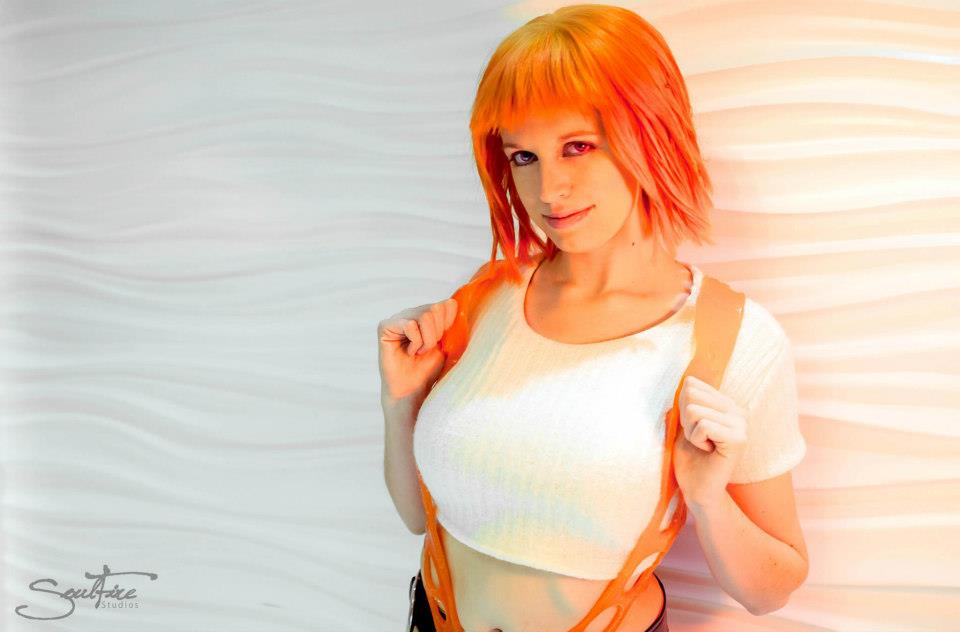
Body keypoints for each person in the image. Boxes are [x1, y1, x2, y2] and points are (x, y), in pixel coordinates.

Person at [379, 5, 809, 631]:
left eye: (577, 146)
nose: (548, 189)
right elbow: (418, 517)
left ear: (651, 136)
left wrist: (708, 499)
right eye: (523, 157)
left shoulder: (730, 339)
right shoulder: (484, 300)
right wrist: (400, 404)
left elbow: (771, 592)